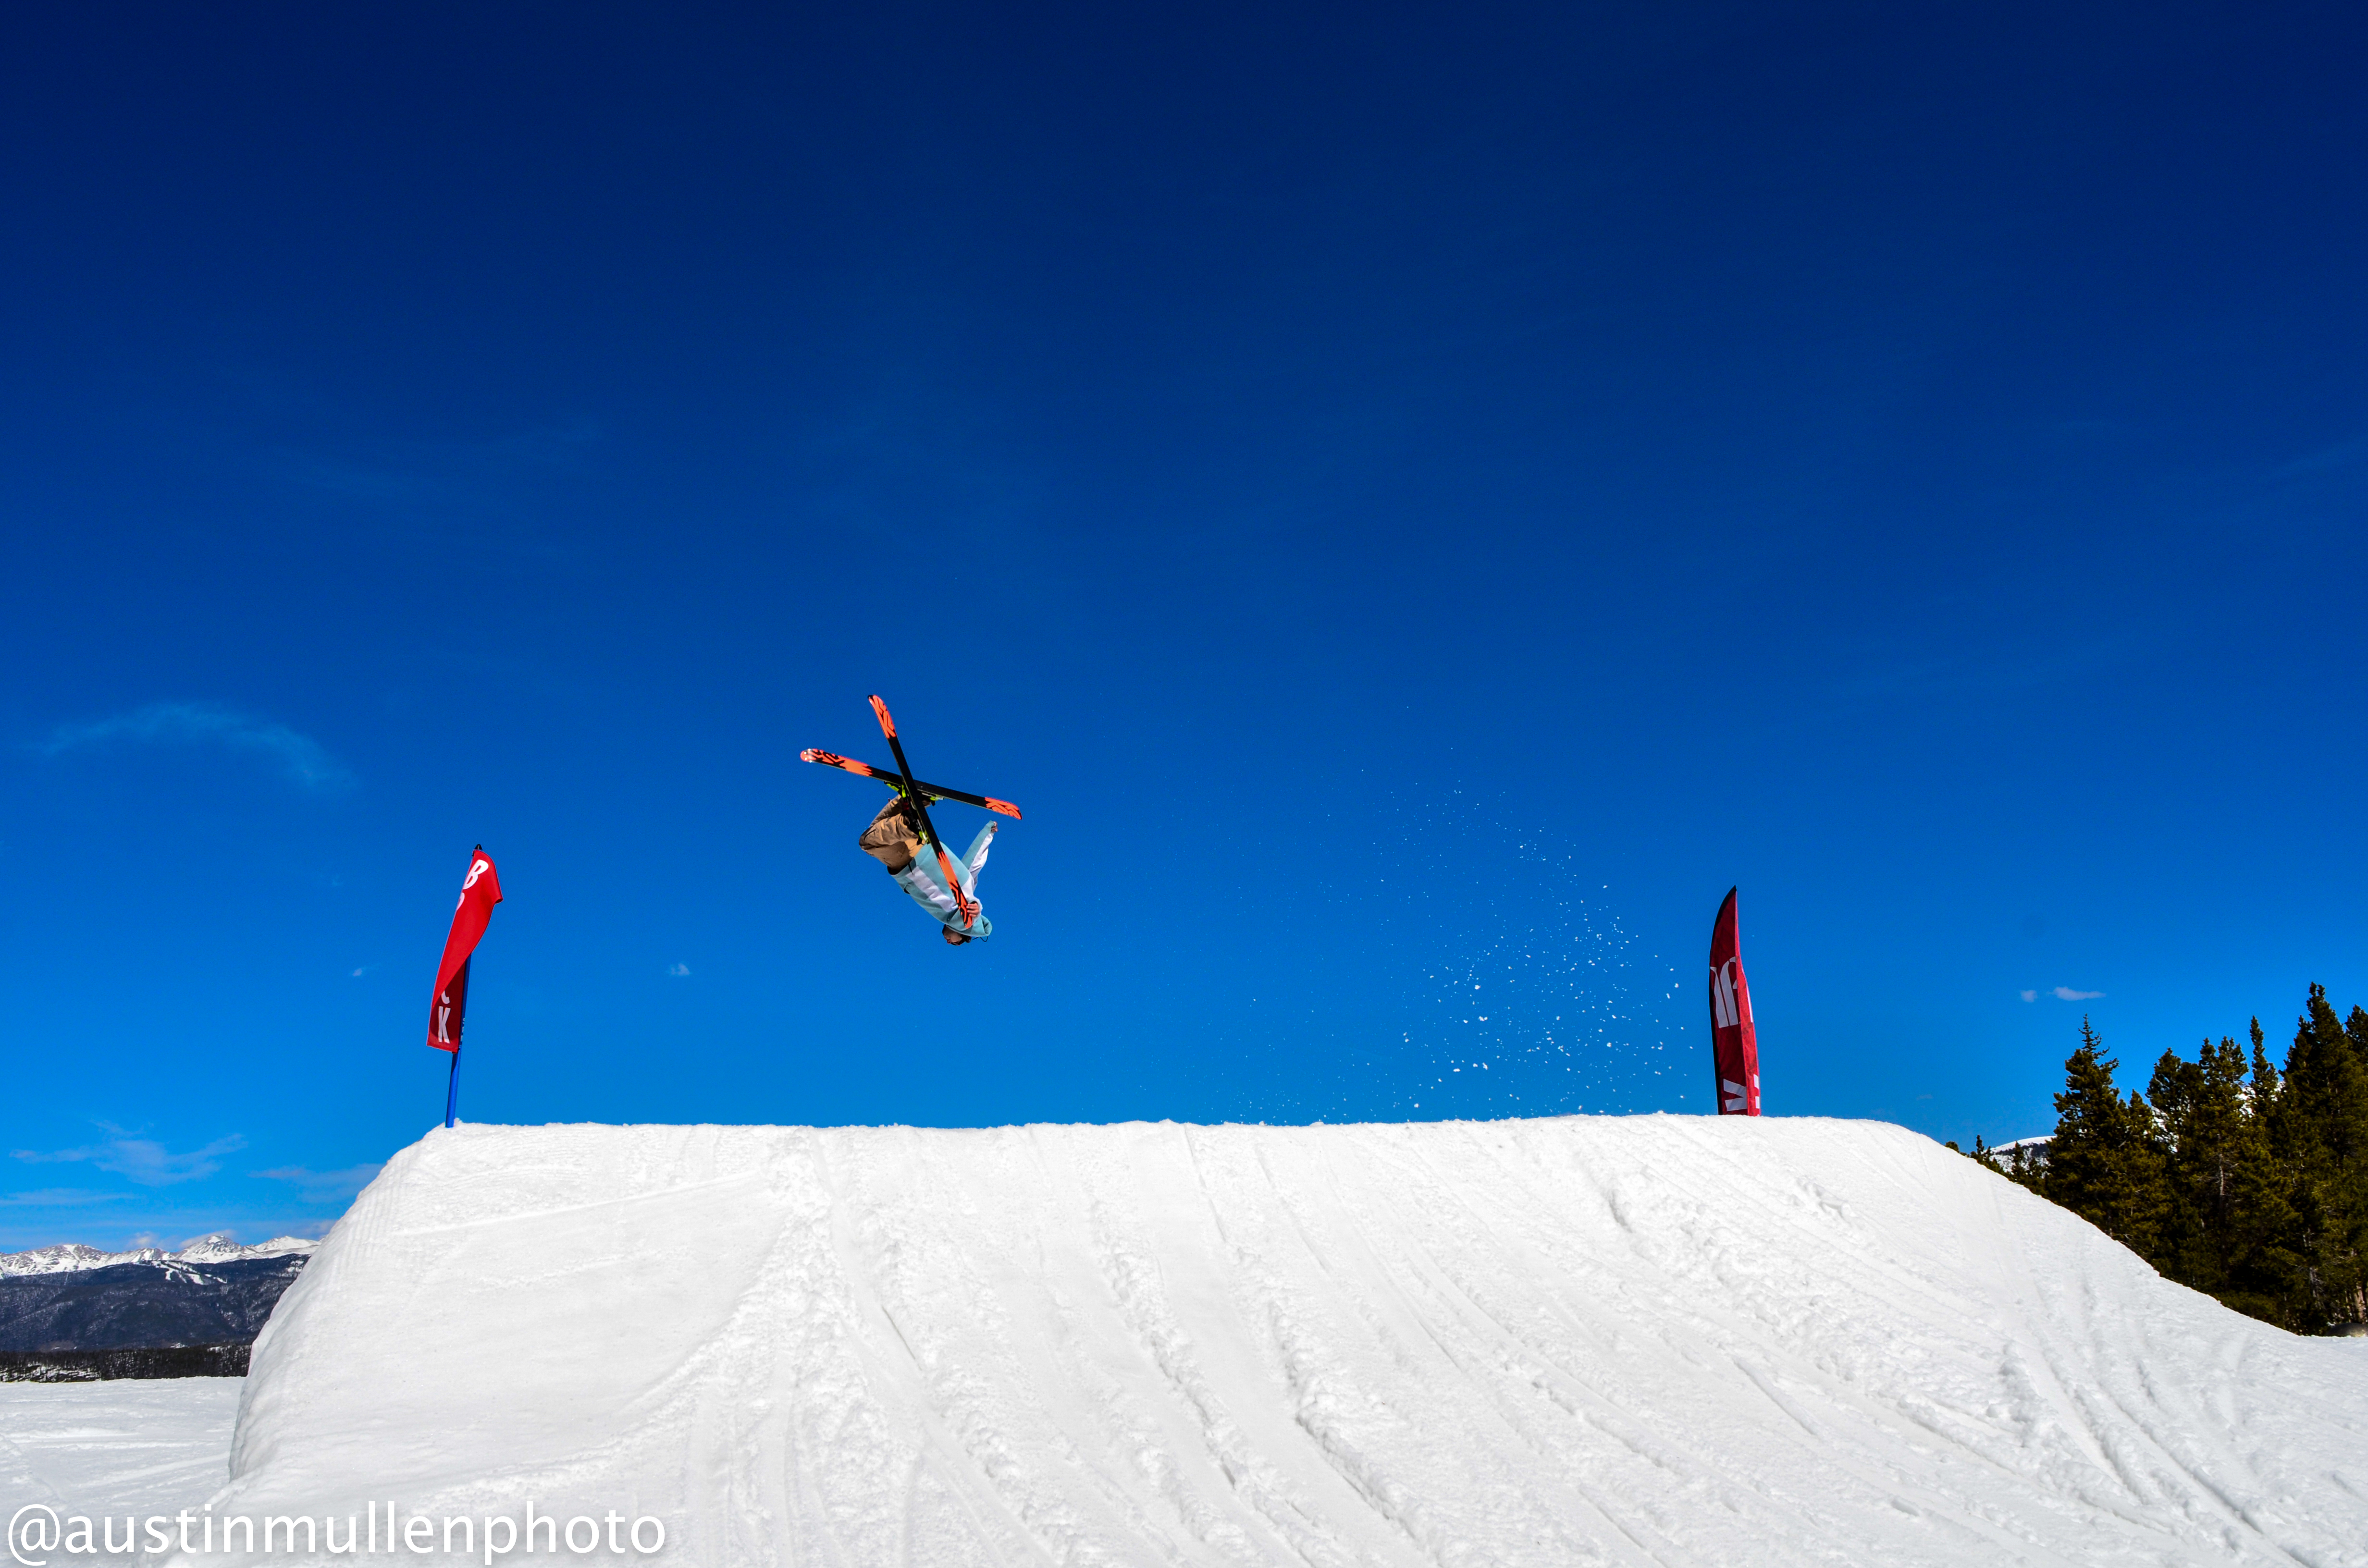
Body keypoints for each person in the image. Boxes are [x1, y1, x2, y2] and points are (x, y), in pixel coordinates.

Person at [857, 794, 995, 943]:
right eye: (956, 943)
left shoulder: (968, 885)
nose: (949, 942)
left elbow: (974, 860)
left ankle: (916, 798)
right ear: (964, 935)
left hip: (925, 845)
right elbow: (969, 916)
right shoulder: (963, 922)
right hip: (910, 865)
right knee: (868, 843)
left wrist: (989, 832)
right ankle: (907, 822)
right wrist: (975, 909)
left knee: (878, 829)